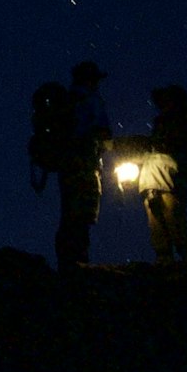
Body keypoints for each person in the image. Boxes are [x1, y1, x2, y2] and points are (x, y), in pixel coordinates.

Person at [51, 59, 113, 267]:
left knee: (69, 211)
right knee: (83, 212)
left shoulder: (68, 99)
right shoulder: (90, 99)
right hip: (84, 160)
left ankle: (67, 261)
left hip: (67, 162)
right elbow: (103, 130)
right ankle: (78, 261)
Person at [141, 83, 187, 265]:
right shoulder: (168, 122)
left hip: (168, 180)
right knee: (158, 220)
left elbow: (175, 149)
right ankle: (166, 261)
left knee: (173, 220)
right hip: (154, 178)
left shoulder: (181, 123)